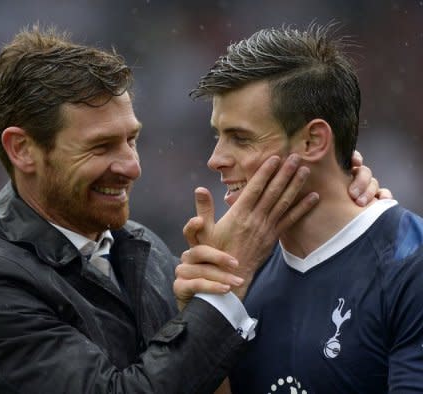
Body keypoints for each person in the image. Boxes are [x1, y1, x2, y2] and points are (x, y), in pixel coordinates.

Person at [0, 25, 380, 393]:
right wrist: (222, 289)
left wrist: (335, 187)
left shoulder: (139, 247)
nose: (131, 166)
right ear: (23, 150)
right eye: (101, 146)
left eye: (131, 139)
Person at [174, 23, 423, 393]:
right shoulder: (232, 270)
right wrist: (206, 312)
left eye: (240, 138)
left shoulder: (409, 262)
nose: (216, 159)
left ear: (312, 140)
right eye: (218, 136)